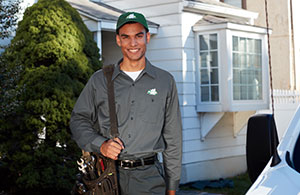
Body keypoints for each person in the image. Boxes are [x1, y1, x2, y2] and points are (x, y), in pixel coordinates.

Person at [70, 11, 182, 195]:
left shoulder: (165, 81)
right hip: (105, 177)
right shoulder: (99, 80)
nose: (133, 43)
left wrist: (172, 186)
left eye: (138, 36)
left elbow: (173, 137)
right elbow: (78, 120)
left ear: (147, 37)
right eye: (126, 37)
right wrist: (101, 145)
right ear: (118, 40)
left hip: (149, 180)